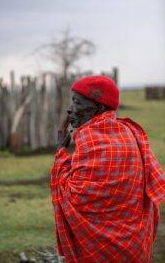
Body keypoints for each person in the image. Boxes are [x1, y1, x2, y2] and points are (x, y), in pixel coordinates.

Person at [50, 75, 165, 263]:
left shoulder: (90, 141)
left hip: (97, 252)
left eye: (77, 102)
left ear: (99, 108)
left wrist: (60, 150)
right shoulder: (128, 133)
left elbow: (73, 197)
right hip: (135, 247)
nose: (70, 109)